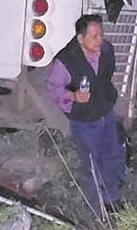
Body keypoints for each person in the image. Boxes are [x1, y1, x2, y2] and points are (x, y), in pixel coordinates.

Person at [46, 14, 127, 218]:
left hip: (105, 113)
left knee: (111, 155)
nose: (99, 40)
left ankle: (111, 200)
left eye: (100, 34)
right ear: (81, 39)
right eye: (93, 36)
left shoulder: (106, 51)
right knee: (90, 164)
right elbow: (53, 88)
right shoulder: (67, 60)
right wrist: (72, 96)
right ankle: (94, 209)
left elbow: (107, 77)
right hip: (84, 121)